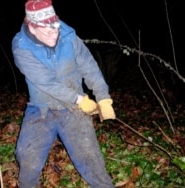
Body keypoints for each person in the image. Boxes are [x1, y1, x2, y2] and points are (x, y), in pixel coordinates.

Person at [11, 0, 116, 187]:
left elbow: (88, 65)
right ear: (33, 28)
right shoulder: (21, 46)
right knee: (27, 158)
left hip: (73, 109)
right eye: (48, 31)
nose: (54, 34)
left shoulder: (68, 36)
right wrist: (80, 99)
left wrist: (103, 97)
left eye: (56, 27)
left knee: (91, 159)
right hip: (41, 108)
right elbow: (45, 82)